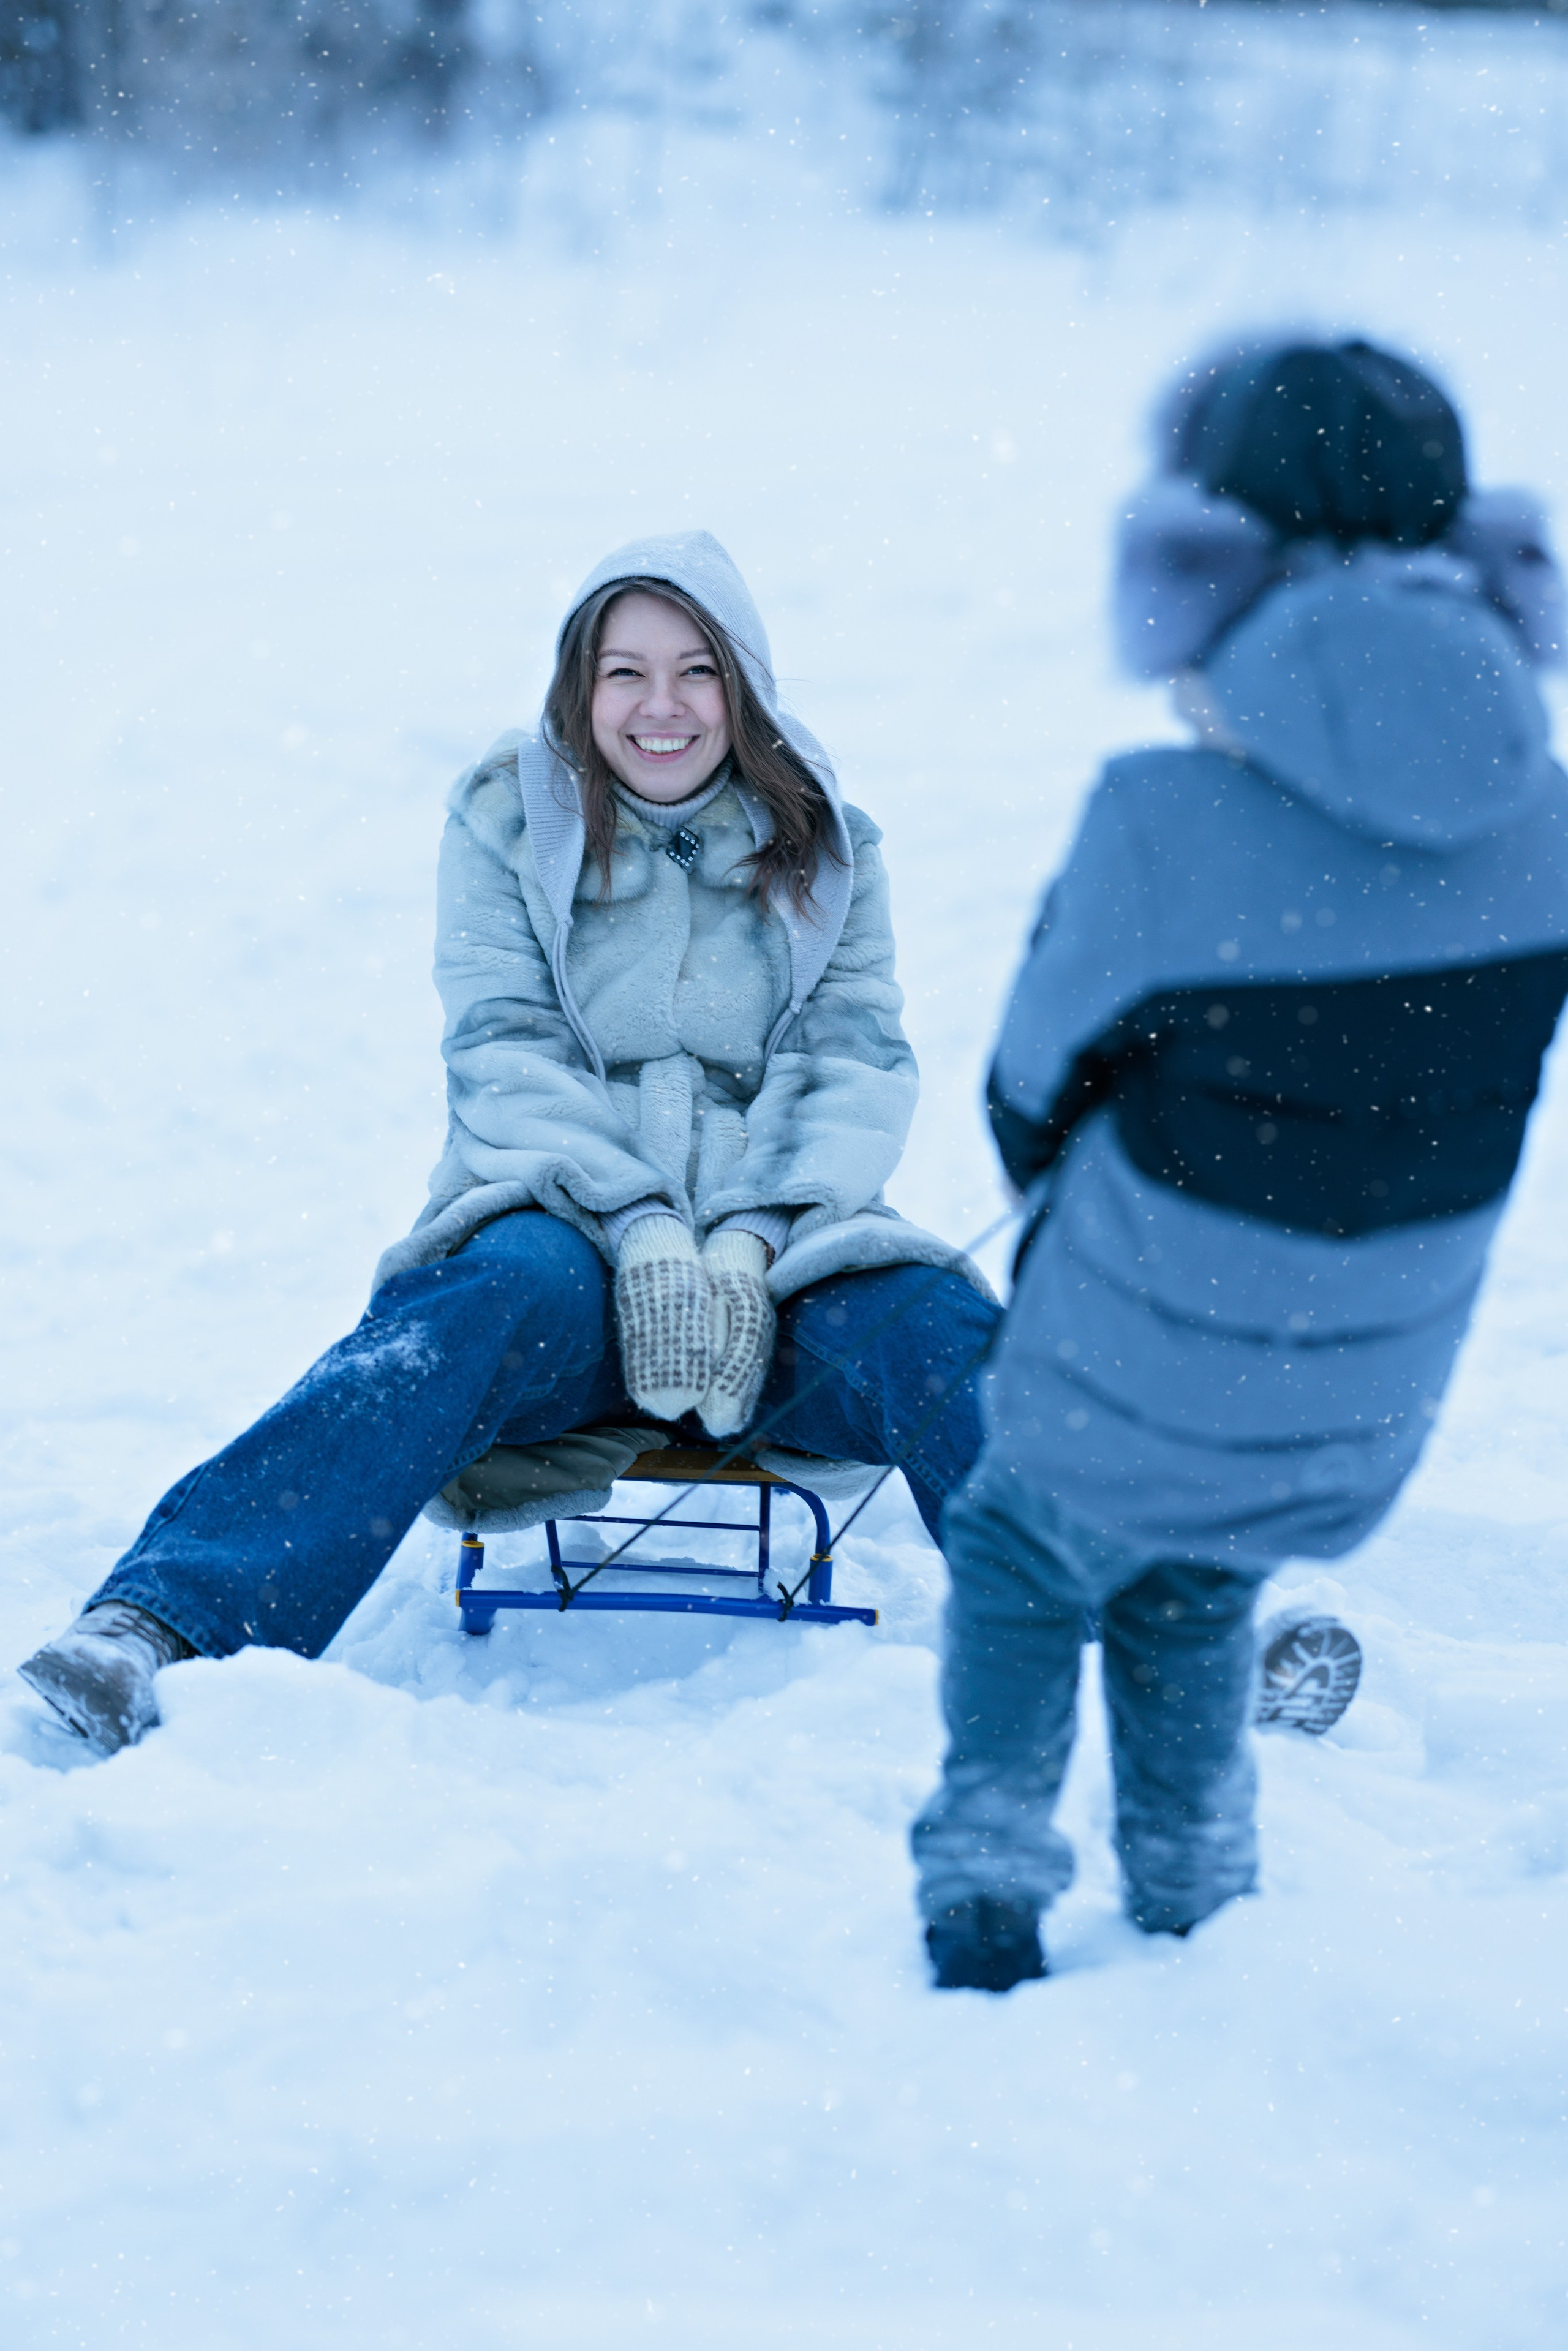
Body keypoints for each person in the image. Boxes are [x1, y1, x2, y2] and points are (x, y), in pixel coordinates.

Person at [21, 531, 999, 1755]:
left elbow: (852, 1062)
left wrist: (749, 1239)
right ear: (577, 688)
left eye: (695, 671)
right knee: (468, 1304)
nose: (660, 707)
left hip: (783, 1279)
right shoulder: (507, 824)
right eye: (623, 672)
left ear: (741, 686)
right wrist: (637, 1225)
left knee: (934, 1326)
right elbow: (504, 1043)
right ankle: (158, 1622)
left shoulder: (825, 843)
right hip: (573, 1255)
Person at [913, 337, 1568, 1992]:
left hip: (1149, 1330)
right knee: (1196, 1572)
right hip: (1366, 1389)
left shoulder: (1158, 814)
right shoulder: (1552, 820)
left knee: (1019, 1540)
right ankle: (1199, 1886)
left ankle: (987, 1880)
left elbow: (1026, 1090)